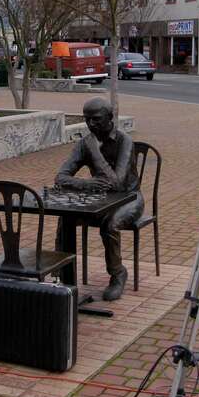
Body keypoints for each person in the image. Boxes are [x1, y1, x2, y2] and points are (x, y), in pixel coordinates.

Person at [55, 98, 143, 301]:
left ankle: (118, 273)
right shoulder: (85, 142)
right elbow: (61, 177)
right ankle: (62, 275)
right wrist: (88, 184)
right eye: (87, 120)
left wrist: (94, 151)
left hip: (129, 198)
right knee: (66, 216)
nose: (90, 124)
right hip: (100, 197)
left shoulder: (124, 141)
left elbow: (118, 184)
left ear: (110, 118)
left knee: (110, 224)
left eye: (96, 119)